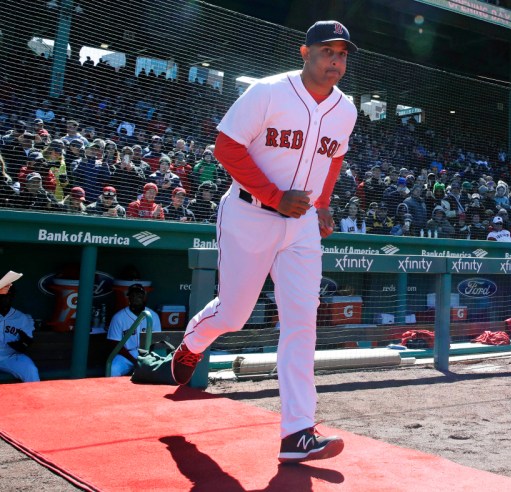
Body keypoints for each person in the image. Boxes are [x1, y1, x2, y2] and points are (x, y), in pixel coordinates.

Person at [171, 20, 358, 464]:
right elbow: (226, 147)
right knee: (235, 313)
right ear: (304, 52)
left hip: (303, 225)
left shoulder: (346, 108)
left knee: (301, 320)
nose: (335, 60)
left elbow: (335, 158)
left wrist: (325, 203)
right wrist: (274, 196)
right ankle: (194, 342)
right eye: (327, 51)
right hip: (248, 214)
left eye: (343, 54)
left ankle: (297, 432)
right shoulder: (267, 91)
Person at [106, 283, 162, 377]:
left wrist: (148, 358)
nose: (136, 298)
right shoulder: (119, 317)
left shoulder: (153, 316)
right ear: (128, 298)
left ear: (145, 297)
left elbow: (157, 341)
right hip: (126, 355)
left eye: (139, 295)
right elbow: (114, 344)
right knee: (113, 369)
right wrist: (134, 360)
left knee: (159, 370)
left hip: (147, 354)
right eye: (133, 295)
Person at [0, 283, 40, 382]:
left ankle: (35, 396)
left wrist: (22, 343)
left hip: (10, 357)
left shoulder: (21, 318)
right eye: (2, 295)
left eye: (8, 295)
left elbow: (27, 343)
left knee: (30, 369)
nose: (5, 299)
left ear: (12, 297)